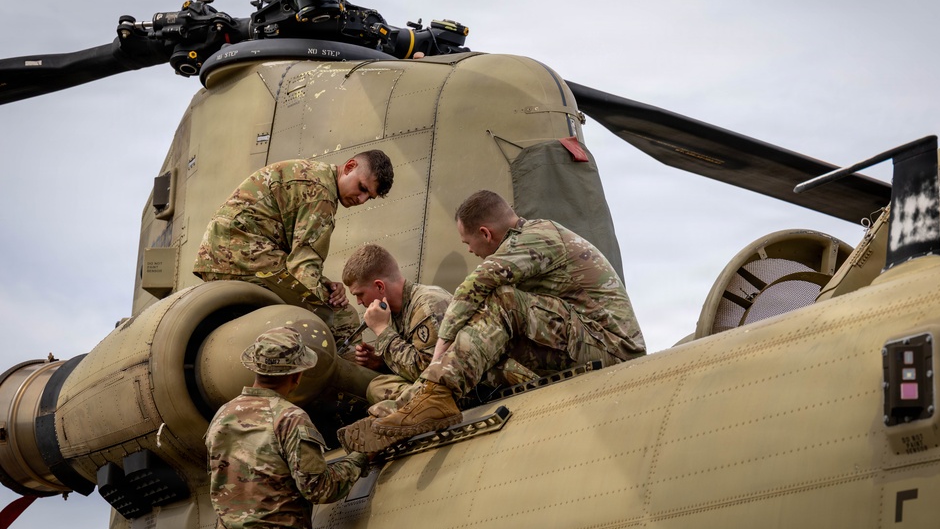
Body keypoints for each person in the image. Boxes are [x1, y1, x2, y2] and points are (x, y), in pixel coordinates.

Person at [340, 190, 646, 450]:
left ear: (486, 233)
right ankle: (399, 412)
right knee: (489, 344)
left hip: (610, 348)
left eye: (468, 244)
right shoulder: (526, 242)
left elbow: (478, 282)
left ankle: (427, 399)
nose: (471, 251)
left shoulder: (538, 237)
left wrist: (442, 346)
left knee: (504, 299)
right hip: (576, 342)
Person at [206, 327, 369, 529]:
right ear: (296, 375)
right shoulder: (289, 417)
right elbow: (319, 488)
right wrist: (359, 459)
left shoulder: (222, 416)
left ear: (256, 369)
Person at [193, 150, 394, 341]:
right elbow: (303, 268)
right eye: (362, 188)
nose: (361, 199)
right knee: (342, 316)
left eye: (369, 197)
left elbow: (297, 264)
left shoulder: (314, 175)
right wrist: (327, 302)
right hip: (239, 253)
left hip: (228, 253)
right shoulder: (323, 194)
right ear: (350, 166)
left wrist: (325, 285)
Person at [341, 243, 453, 403]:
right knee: (377, 384)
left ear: (379, 286)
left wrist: (382, 330)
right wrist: (381, 362)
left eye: (360, 294)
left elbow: (431, 373)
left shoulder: (428, 305)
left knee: (377, 388)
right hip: (435, 385)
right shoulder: (391, 311)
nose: (359, 302)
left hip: (454, 390)